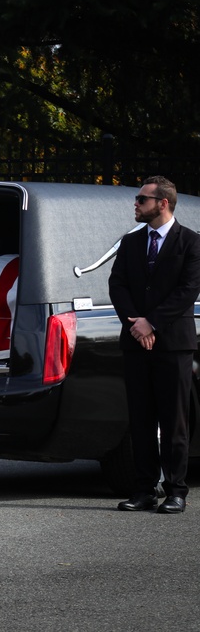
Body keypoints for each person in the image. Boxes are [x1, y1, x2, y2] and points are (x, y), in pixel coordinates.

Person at [109, 175, 200, 514]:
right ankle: (144, 489)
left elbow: (188, 290)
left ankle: (176, 490)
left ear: (163, 203)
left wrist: (152, 322)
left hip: (173, 345)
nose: (136, 203)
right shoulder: (131, 243)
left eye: (142, 199)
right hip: (136, 343)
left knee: (174, 420)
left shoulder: (190, 242)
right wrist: (135, 323)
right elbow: (117, 285)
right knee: (141, 419)